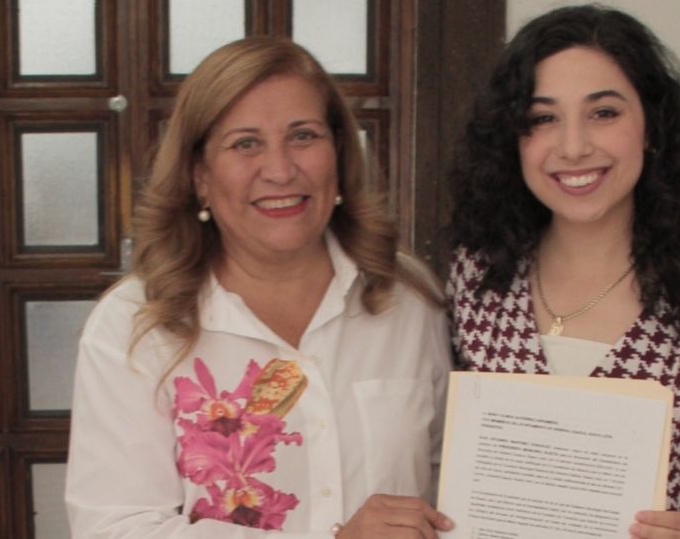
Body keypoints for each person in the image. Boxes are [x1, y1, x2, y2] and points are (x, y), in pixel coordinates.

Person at [66, 37, 454, 538]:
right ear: (200, 175)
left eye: (304, 136)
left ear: (338, 154)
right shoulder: (133, 323)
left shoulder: (409, 296)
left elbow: (453, 477)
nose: (280, 169)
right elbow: (115, 529)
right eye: (245, 143)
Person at [447, 5, 680, 539]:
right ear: (514, 138)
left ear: (651, 126)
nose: (573, 147)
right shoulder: (476, 278)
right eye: (543, 118)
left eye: (603, 113)